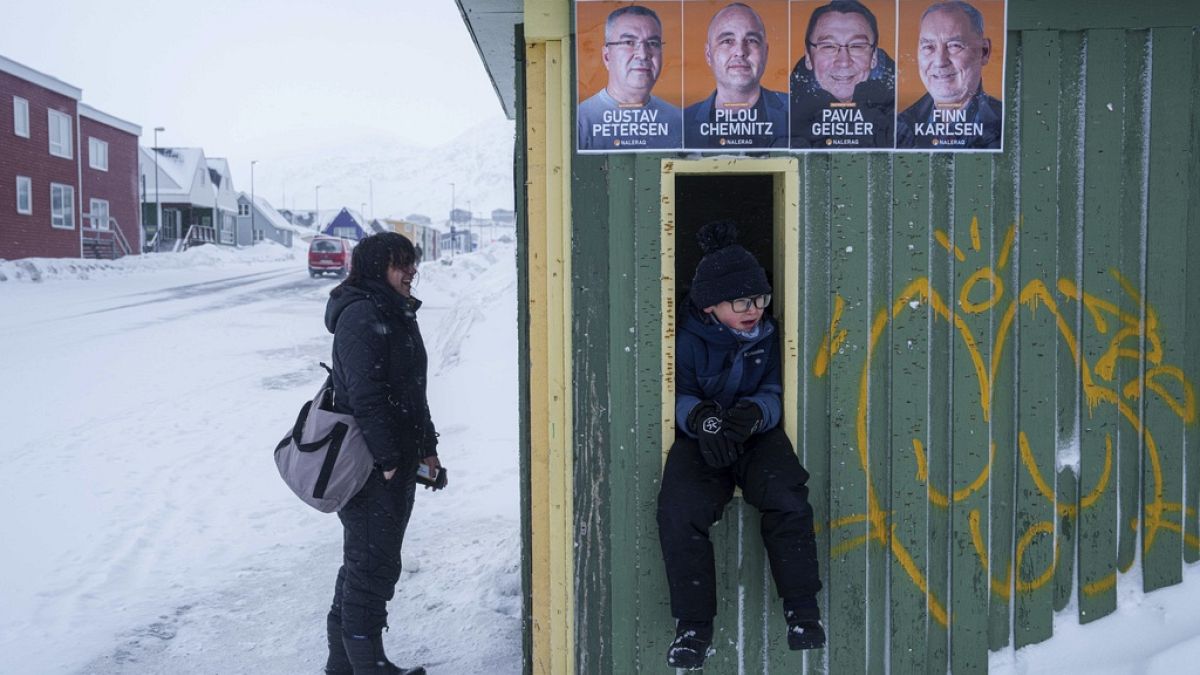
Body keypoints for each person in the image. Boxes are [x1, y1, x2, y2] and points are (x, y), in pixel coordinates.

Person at [657, 220, 824, 670]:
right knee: (680, 508)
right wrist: (700, 418)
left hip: (754, 434)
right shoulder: (686, 341)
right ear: (711, 306)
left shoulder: (769, 337)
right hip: (702, 438)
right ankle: (694, 627)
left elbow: (773, 391)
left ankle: (802, 611)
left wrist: (755, 414)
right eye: (743, 302)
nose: (755, 309)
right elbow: (676, 392)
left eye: (761, 299)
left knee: (787, 494)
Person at [322, 232, 442, 675]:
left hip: (392, 462)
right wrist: (390, 460)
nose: (411, 271)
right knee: (371, 570)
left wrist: (427, 447)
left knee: (365, 565)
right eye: (401, 264)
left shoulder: (393, 310)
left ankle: (342, 667)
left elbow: (411, 391)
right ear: (376, 269)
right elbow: (367, 397)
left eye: (412, 262)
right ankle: (368, 667)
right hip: (371, 466)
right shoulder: (360, 315)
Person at [895, 0, 1002, 149]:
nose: (939, 61)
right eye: (928, 47)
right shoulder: (898, 128)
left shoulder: (1008, 123)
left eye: (954, 46)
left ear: (984, 51)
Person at [790, 0, 895, 149]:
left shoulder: (903, 118)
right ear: (808, 57)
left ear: (874, 57)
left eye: (857, 46)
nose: (844, 62)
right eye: (828, 46)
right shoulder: (783, 116)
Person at [577, 5, 683, 150]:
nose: (643, 54)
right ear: (607, 57)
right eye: (629, 43)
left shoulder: (679, 121)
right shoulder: (579, 122)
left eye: (653, 43)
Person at [683, 3, 788, 149]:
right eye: (727, 41)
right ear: (708, 54)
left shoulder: (798, 113)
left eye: (751, 40)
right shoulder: (681, 124)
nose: (740, 51)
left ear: (765, 52)